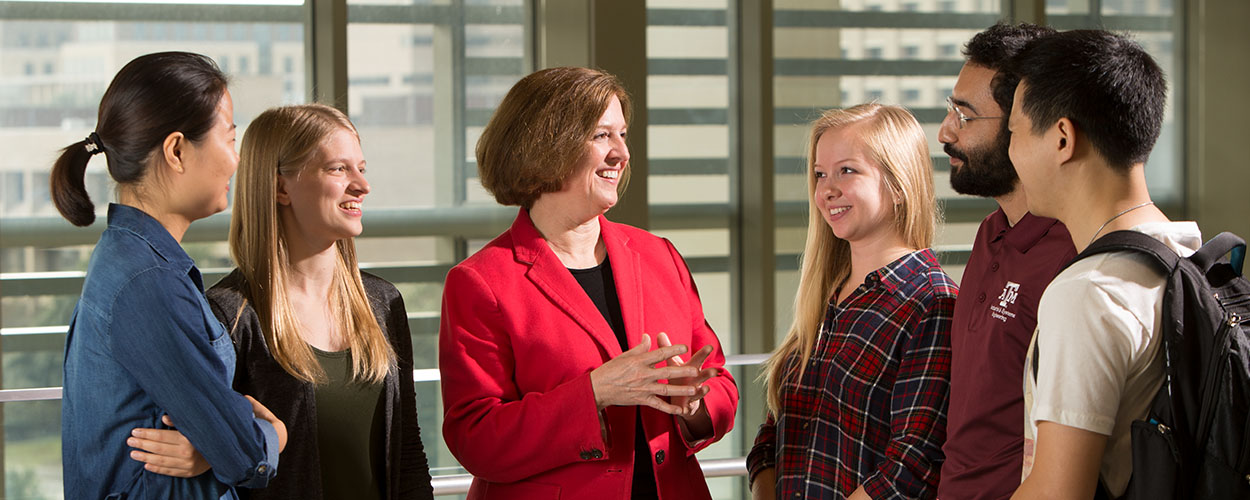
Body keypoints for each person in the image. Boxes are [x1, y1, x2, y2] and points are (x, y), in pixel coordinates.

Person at [438, 66, 739, 500]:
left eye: (623, 134)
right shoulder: (480, 282)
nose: (622, 152)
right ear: (545, 145)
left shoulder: (660, 255)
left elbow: (721, 385)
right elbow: (476, 437)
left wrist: (692, 404)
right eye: (602, 136)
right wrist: (594, 393)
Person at [128, 103, 434, 500]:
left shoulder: (383, 303)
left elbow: (407, 448)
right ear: (280, 187)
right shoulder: (227, 316)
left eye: (362, 168)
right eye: (338, 169)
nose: (362, 185)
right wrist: (211, 451)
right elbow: (218, 449)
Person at [54, 52, 285, 499]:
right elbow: (245, 454)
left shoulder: (131, 262)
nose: (236, 161)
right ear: (177, 151)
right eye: (230, 139)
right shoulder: (147, 281)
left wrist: (222, 444)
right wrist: (271, 430)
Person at [1002, 30, 1199, 499]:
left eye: (1014, 132)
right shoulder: (1186, 255)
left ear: (1063, 138)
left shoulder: (1089, 292)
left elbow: (1056, 492)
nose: (1011, 154)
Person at [747, 103, 958, 500]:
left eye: (847, 170)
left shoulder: (932, 304)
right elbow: (775, 435)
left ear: (898, 184)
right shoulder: (828, 296)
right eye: (820, 174)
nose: (827, 189)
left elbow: (910, 470)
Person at [935, 23, 1076, 500]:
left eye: (965, 115)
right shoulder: (990, 233)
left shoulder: (1073, 256)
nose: (944, 132)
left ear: (1024, 121)